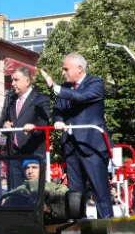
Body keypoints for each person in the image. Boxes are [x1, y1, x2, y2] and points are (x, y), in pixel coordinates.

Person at [40, 53, 114, 219]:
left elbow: (81, 97)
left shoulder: (95, 83)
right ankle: (78, 227)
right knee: (75, 192)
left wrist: (54, 87)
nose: (63, 72)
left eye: (66, 69)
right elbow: (58, 109)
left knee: (99, 189)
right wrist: (58, 120)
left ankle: (107, 227)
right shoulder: (65, 88)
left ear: (79, 69)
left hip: (92, 145)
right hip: (70, 145)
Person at [1, 67, 51, 189]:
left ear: (27, 81)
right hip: (13, 155)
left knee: (34, 192)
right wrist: (4, 125)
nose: (12, 84)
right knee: (15, 192)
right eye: (12, 80)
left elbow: (44, 122)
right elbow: (1, 123)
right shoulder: (10, 100)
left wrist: (35, 127)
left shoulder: (40, 98)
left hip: (33, 154)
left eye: (16, 80)